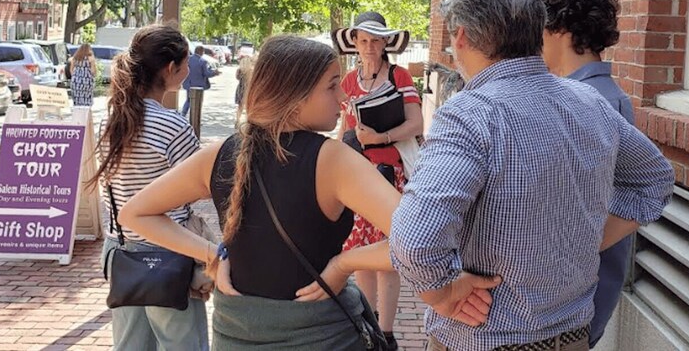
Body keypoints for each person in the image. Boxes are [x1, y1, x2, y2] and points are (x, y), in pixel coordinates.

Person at [118, 35, 499, 350]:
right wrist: (345, 264)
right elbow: (421, 238)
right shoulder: (331, 159)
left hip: (236, 334)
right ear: (294, 95)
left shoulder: (220, 153)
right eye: (332, 85)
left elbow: (134, 213)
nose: (343, 98)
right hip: (322, 335)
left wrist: (212, 254)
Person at [390, 0, 675, 351]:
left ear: (461, 36)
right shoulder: (589, 102)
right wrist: (584, 243)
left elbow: (415, 240)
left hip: (484, 338)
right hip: (571, 337)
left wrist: (442, 293)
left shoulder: (471, 114)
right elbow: (655, 179)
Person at [91, 24, 208, 351]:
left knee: (129, 345)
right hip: (168, 252)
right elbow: (201, 186)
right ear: (171, 69)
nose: (188, 70)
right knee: (183, 344)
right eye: (185, 63)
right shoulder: (173, 125)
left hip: (120, 251)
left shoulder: (111, 120)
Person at [537, 0, 633, 348]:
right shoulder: (588, 97)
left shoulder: (596, 103)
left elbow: (631, 202)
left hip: (569, 311)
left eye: (537, 26)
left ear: (560, 29)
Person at [332, 11, 424, 351]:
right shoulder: (348, 82)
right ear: (355, 43)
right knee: (361, 254)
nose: (369, 46)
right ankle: (369, 326)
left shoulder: (400, 76)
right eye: (364, 40)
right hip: (357, 175)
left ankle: (387, 333)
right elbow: (344, 129)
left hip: (390, 175)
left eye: (375, 40)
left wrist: (380, 137)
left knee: (389, 254)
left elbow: (416, 123)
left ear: (386, 42)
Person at [181, 45, 217, 118]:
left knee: (188, 100)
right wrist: (214, 73)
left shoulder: (187, 59)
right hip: (199, 86)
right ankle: (195, 117)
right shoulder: (203, 61)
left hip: (189, 83)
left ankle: (183, 114)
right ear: (201, 52)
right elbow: (206, 74)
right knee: (198, 102)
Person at [234, 55, 254, 127]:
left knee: (240, 106)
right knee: (249, 106)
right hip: (248, 88)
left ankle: (237, 120)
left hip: (240, 87)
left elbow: (237, 78)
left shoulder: (239, 70)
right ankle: (248, 121)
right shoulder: (251, 70)